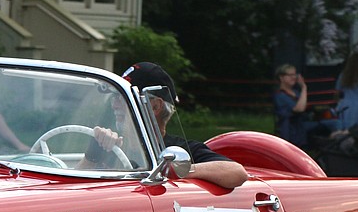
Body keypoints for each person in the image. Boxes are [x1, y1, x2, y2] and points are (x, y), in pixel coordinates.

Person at [78, 62, 247, 189]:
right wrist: (92, 155)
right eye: (115, 97)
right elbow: (73, 188)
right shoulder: (110, 145)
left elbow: (237, 172)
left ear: (155, 107)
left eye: (124, 99)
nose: (115, 105)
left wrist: (177, 170)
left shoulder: (180, 150)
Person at [273, 64, 310, 147]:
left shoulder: (296, 93)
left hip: (301, 126)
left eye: (294, 74)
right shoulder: (280, 95)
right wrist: (304, 88)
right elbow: (299, 109)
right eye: (290, 75)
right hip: (290, 131)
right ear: (281, 77)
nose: (294, 77)